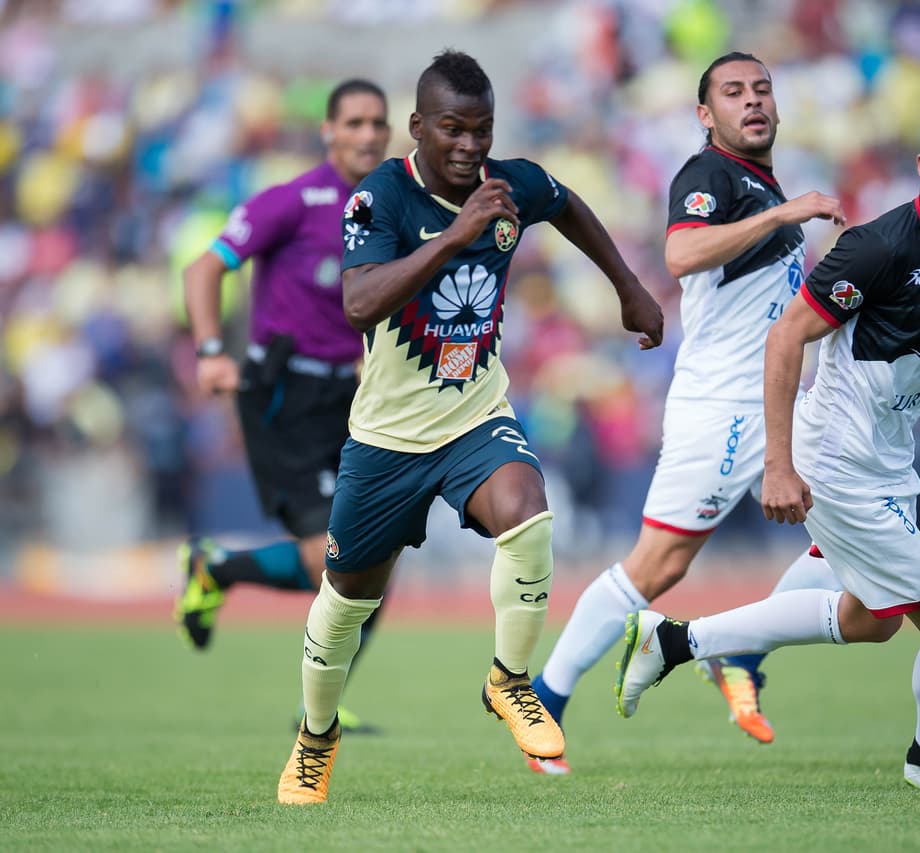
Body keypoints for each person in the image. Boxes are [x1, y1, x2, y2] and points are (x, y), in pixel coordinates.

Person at [615, 103, 920, 790]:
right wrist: (779, 466)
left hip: (884, 461)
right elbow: (785, 337)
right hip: (836, 461)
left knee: (871, 619)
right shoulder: (879, 247)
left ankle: (673, 641)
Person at [275, 49, 664, 805]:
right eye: (451, 129)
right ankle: (316, 739)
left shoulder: (508, 183)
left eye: (482, 130)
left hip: (475, 417)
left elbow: (567, 200)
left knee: (530, 513)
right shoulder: (377, 199)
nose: (469, 146)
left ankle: (509, 680)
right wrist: (454, 238)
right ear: (417, 126)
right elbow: (359, 304)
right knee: (346, 599)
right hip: (387, 438)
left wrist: (627, 285)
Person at [527, 51, 847, 776]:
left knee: (852, 535)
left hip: (781, 404)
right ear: (706, 115)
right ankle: (547, 691)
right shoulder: (711, 175)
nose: (753, 101)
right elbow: (681, 254)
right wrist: (788, 212)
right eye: (733, 93)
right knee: (658, 564)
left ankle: (740, 647)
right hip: (726, 408)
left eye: (763, 88)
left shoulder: (760, 180)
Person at [175, 79, 392, 733]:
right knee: (339, 556)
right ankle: (216, 565)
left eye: (377, 123)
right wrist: (212, 348)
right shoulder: (293, 200)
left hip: (352, 397)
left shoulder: (389, 209)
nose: (367, 133)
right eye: (353, 121)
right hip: (284, 394)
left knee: (374, 559)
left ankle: (318, 706)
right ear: (327, 130)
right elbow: (203, 269)